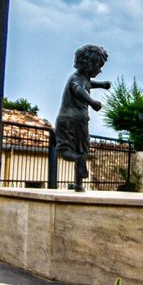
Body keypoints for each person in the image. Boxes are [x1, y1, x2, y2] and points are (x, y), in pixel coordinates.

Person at [55, 44, 110, 191]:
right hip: (80, 119)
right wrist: (91, 102)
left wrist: (102, 85)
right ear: (90, 65)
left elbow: (87, 84)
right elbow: (78, 89)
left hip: (67, 118)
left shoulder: (81, 78)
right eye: (99, 66)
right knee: (82, 151)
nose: (100, 70)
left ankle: (78, 180)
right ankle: (78, 184)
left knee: (65, 150)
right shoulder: (77, 79)